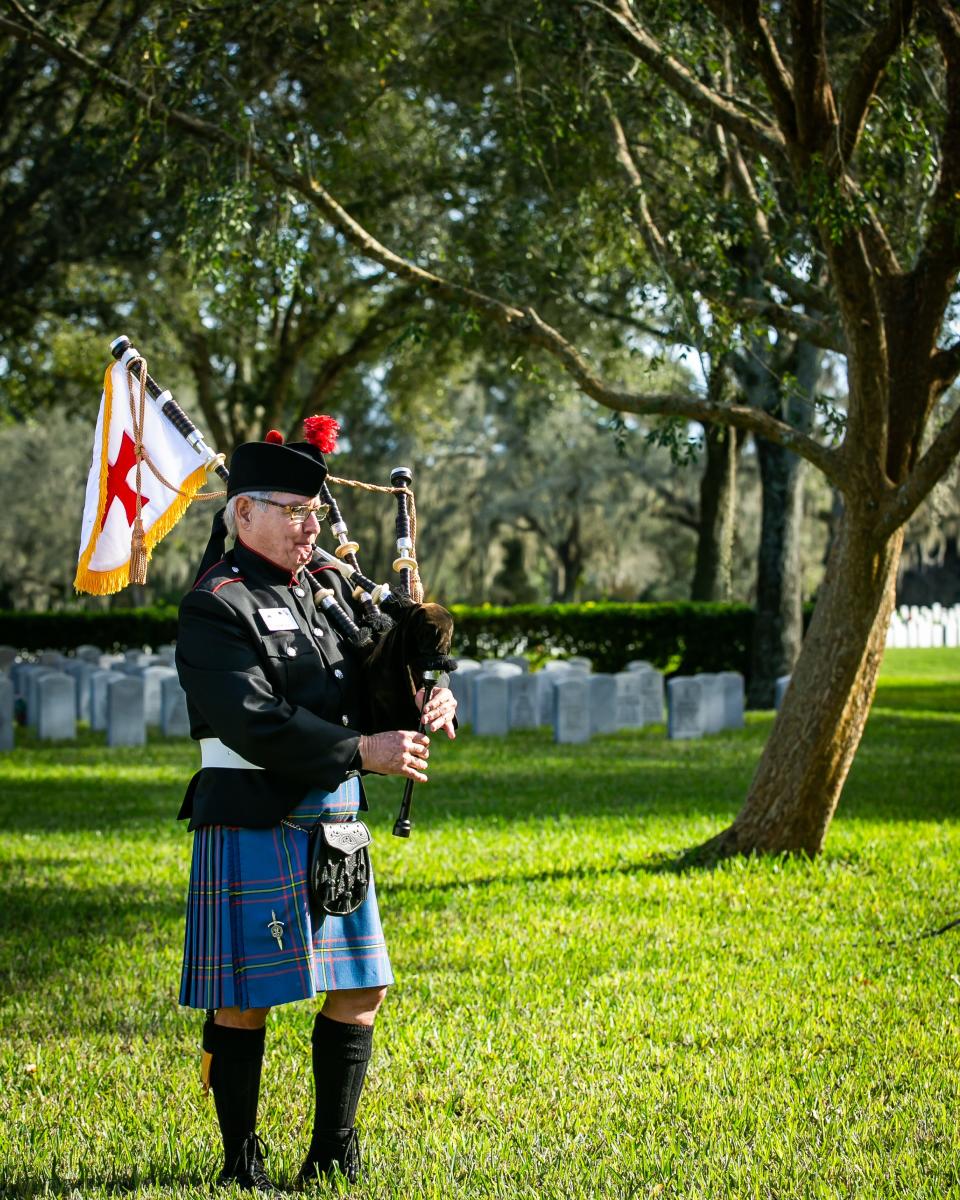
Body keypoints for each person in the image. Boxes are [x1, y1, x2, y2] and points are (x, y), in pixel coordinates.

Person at [175, 430, 457, 1193]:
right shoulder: (215, 606)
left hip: (333, 817)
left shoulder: (324, 588)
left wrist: (426, 691)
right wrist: (364, 751)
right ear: (241, 515)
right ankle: (241, 1160)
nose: (310, 525)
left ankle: (332, 1152)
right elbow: (252, 719)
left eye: (313, 510)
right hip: (253, 811)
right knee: (247, 998)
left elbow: (375, 663)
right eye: (294, 511)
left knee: (361, 984)